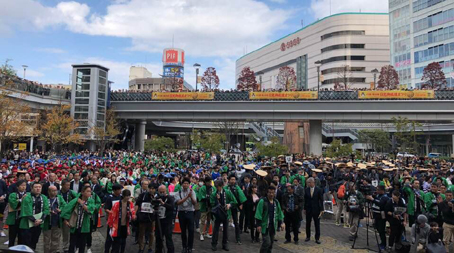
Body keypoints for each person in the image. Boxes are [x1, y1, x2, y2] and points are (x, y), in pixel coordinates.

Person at [61, 185, 95, 253]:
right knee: (72, 244)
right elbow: (67, 209)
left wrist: (82, 204)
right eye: (87, 191)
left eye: (90, 192)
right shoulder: (75, 200)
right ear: (82, 192)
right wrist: (65, 219)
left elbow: (90, 210)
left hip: (84, 226)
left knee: (82, 245)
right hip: (74, 225)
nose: (89, 193)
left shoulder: (91, 201)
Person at [19, 182, 49, 251]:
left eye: (39, 187)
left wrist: (41, 219)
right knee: (26, 243)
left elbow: (46, 209)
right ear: (32, 188)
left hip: (38, 223)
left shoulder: (43, 197)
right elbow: (26, 210)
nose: (38, 189)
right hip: (27, 223)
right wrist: (34, 220)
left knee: (34, 241)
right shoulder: (27, 197)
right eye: (36, 187)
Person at [255, 185, 284, 253]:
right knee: (266, 242)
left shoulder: (276, 202)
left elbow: (279, 213)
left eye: (273, 193)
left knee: (271, 243)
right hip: (265, 226)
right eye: (270, 192)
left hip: (273, 226)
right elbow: (258, 213)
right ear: (267, 193)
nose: (271, 194)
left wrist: (282, 222)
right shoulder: (262, 201)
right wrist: (258, 225)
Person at [210, 179, 237, 251]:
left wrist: (229, 205)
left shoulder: (227, 192)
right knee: (216, 229)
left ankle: (225, 244)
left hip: (226, 213)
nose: (217, 188)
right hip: (217, 214)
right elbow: (211, 203)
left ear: (221, 186)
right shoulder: (214, 194)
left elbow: (234, 201)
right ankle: (214, 244)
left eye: (218, 186)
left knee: (226, 230)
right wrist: (216, 200)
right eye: (215, 186)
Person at [108, 189, 136, 253]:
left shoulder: (130, 204)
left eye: (129, 196)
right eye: (126, 196)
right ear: (123, 196)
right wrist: (111, 225)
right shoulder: (117, 204)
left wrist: (133, 216)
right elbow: (112, 215)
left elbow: (133, 213)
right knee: (116, 243)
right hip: (117, 226)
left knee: (123, 241)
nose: (128, 197)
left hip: (125, 225)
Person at [175, 177, 197, 253]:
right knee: (183, 231)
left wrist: (191, 197)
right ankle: (184, 247)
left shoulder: (192, 192)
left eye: (187, 183)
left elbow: (194, 203)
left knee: (191, 231)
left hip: (190, 212)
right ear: (182, 184)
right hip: (181, 213)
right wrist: (187, 197)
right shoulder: (178, 192)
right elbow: (178, 202)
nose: (186, 184)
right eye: (184, 183)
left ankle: (190, 247)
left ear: (189, 184)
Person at [135, 182, 157, 253]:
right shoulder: (142, 195)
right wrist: (134, 214)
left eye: (153, 189)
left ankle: (150, 247)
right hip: (143, 217)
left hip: (152, 218)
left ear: (155, 189)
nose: (151, 190)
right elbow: (137, 204)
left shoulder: (157, 196)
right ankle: (141, 248)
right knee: (141, 233)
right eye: (150, 188)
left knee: (151, 233)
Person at [226, 174, 247, 245]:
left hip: (234, 206)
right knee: (226, 222)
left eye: (234, 179)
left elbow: (241, 196)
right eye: (232, 179)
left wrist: (241, 204)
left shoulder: (237, 187)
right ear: (229, 180)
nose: (233, 181)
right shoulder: (226, 187)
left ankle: (238, 238)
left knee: (236, 222)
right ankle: (225, 238)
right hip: (228, 207)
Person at [43, 185, 65, 253]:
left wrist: (60, 209)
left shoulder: (59, 198)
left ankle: (54, 251)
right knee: (47, 240)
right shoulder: (45, 198)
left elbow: (64, 205)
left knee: (56, 239)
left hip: (57, 222)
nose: (55, 192)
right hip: (47, 222)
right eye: (53, 190)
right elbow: (42, 208)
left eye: (56, 190)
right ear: (49, 191)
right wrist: (48, 211)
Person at [6, 180, 27, 247]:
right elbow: (13, 204)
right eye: (22, 185)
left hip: (24, 219)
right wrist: (21, 199)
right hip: (14, 218)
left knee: (22, 238)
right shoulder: (13, 194)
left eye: (25, 185)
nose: (23, 187)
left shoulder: (28, 194)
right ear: (17, 187)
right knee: (12, 237)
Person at [59, 179, 78, 253]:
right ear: (62, 185)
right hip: (60, 213)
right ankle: (64, 246)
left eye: (69, 185)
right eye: (67, 185)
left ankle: (69, 246)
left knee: (68, 231)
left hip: (69, 214)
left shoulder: (72, 193)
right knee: (62, 232)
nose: (68, 187)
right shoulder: (58, 193)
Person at [368, 185, 389, 250]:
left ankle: (384, 244)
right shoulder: (377, 195)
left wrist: (372, 199)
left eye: (378, 190)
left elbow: (380, 203)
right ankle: (382, 242)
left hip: (381, 215)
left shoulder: (385, 197)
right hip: (375, 214)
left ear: (382, 190)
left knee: (381, 230)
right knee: (377, 228)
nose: (376, 191)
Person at [155, 185, 175, 253]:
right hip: (159, 221)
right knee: (158, 238)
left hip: (167, 222)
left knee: (168, 238)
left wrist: (163, 203)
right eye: (160, 192)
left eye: (163, 191)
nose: (162, 193)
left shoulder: (170, 198)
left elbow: (172, 207)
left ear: (166, 191)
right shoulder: (157, 198)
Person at [304, 177, 323, 244]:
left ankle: (317, 238)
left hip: (316, 209)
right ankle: (308, 236)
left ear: (313, 182)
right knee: (308, 223)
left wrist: (322, 209)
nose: (308, 184)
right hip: (309, 209)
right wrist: (304, 208)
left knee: (317, 224)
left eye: (309, 183)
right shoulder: (306, 190)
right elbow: (305, 200)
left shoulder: (318, 190)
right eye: (308, 183)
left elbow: (321, 200)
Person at [104, 183, 123, 253]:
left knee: (118, 237)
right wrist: (112, 213)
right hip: (112, 221)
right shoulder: (110, 198)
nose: (120, 191)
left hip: (119, 220)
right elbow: (106, 209)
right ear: (115, 190)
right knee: (109, 237)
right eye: (119, 190)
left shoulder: (121, 197)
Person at [197, 176, 213, 241]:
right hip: (204, 206)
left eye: (210, 182)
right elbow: (201, 197)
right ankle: (201, 234)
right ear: (205, 182)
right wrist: (208, 198)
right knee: (203, 220)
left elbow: (214, 195)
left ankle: (206, 232)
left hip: (210, 206)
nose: (210, 183)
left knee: (209, 220)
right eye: (208, 182)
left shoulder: (212, 188)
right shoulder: (202, 188)